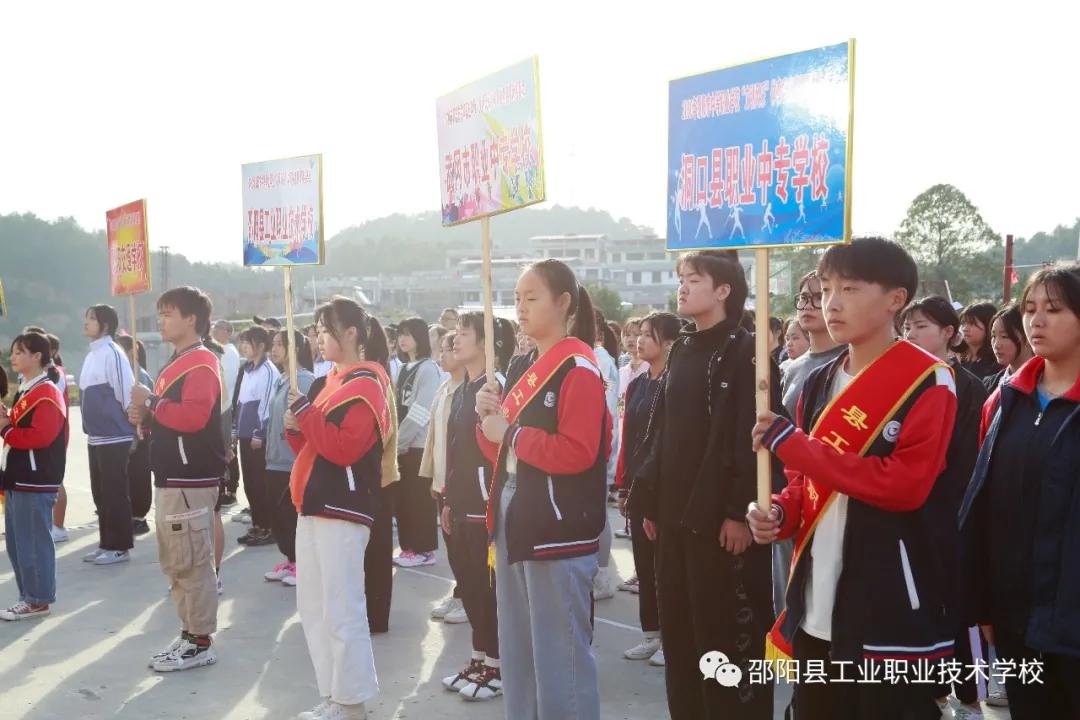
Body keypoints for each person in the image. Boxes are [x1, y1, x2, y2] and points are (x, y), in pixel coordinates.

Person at [748, 238, 958, 720]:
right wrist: (780, 512)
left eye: (849, 288)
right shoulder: (820, 379)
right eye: (825, 289)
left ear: (895, 299)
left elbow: (904, 486)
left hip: (888, 605)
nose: (832, 302)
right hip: (816, 600)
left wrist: (796, 447)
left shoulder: (929, 381)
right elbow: (805, 481)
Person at [636, 250, 775, 719]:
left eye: (693, 279)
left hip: (718, 524)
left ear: (723, 290)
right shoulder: (683, 348)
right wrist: (651, 501)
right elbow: (662, 431)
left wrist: (738, 511)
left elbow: (750, 439)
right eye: (681, 279)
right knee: (680, 639)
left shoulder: (746, 352)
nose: (683, 287)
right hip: (674, 521)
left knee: (724, 642)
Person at [474, 259, 609, 720]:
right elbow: (501, 450)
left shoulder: (578, 369)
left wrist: (507, 432)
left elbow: (578, 452)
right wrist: (488, 420)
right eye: (517, 299)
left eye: (531, 298)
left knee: (561, 655)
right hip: (517, 510)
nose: (521, 307)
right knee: (519, 645)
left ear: (564, 303)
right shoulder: (523, 364)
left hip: (558, 525)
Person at [959, 265, 1080, 719]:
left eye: (1054, 309)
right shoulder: (1006, 400)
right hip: (1016, 618)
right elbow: (984, 504)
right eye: (1030, 309)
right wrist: (983, 599)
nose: (1037, 321)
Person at [285, 296, 397, 720]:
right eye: (315, 328)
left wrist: (307, 415)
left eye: (325, 328)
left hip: (343, 507)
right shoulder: (329, 380)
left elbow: (345, 448)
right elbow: (313, 445)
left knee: (341, 608)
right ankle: (334, 696)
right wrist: (297, 425)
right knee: (313, 607)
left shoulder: (368, 383)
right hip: (314, 503)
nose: (318, 336)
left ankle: (352, 704)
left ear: (351, 333)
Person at [128, 286, 226, 672]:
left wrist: (150, 402)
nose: (161, 320)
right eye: (160, 313)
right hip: (172, 475)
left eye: (169, 314)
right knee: (176, 563)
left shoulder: (201, 362)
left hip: (191, 477)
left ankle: (201, 641)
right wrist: (145, 418)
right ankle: (188, 633)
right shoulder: (176, 361)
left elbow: (193, 418)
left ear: (191, 319)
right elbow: (170, 418)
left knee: (193, 562)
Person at [901, 296, 989, 720]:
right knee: (915, 606)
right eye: (907, 327)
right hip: (906, 512)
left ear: (948, 333)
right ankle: (930, 694)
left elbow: (966, 457)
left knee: (954, 605)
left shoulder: (967, 385)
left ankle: (969, 696)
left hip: (948, 512)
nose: (911, 335)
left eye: (921, 326)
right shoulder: (900, 381)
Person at [440, 312, 515, 702]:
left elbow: (498, 450)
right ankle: (479, 656)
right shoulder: (462, 388)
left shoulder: (493, 388)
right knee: (469, 586)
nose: (455, 340)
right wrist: (448, 498)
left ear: (486, 344)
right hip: (461, 501)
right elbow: (456, 452)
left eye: (464, 333)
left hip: (484, 504)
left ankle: (498, 665)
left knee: (488, 590)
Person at [616, 311, 680, 667]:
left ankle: (672, 638)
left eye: (648, 335)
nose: (639, 341)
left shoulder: (674, 384)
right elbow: (629, 438)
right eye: (639, 334)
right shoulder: (638, 383)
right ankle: (650, 634)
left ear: (669, 343)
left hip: (665, 488)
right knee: (643, 560)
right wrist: (625, 485)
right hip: (639, 484)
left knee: (665, 566)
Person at [0, 333, 68, 621]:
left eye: (19, 352)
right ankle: (28, 597)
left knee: (33, 542)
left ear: (37, 356)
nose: (13, 357)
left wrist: (5, 428)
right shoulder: (27, 390)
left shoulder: (47, 392)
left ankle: (38, 599)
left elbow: (42, 436)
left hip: (35, 478)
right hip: (18, 476)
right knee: (17, 543)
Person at [78, 304, 136, 565]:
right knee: (100, 493)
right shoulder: (92, 354)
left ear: (106, 325)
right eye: (87, 318)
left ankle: (119, 546)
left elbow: (125, 390)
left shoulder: (113, 352)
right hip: (96, 436)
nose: (86, 322)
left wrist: (130, 423)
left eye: (92, 319)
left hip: (114, 435)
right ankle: (106, 543)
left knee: (114, 492)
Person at [420, 332, 468, 625]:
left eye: (448, 350)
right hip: (441, 479)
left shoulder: (470, 390)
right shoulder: (444, 388)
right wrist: (431, 476)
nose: (442, 356)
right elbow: (433, 437)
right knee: (452, 545)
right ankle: (461, 593)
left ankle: (468, 596)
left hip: (459, 483)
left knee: (464, 546)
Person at [263, 330, 316, 588]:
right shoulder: (280, 380)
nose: (274, 349)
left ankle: (302, 563)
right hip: (275, 459)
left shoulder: (303, 380)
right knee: (279, 515)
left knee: (291, 514)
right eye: (272, 344)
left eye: (280, 344)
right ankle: (290, 559)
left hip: (291, 459)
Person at [392, 317, 442, 568]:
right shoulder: (402, 369)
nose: (402, 339)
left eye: (408, 334)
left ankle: (424, 550)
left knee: (418, 500)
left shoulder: (429, 368)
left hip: (417, 446)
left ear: (420, 338)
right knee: (403, 501)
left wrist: (400, 441)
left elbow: (421, 411)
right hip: (401, 445)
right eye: (400, 334)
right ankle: (409, 546)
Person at [234, 326, 280, 547]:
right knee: (250, 484)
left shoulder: (269, 371)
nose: (243, 346)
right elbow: (241, 402)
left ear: (261, 346)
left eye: (247, 342)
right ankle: (258, 523)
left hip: (257, 438)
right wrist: (236, 430)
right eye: (241, 342)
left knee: (261, 483)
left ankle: (268, 526)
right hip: (245, 436)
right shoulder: (247, 370)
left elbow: (267, 404)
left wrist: (258, 433)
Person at [780, 272, 845, 419]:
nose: (808, 306)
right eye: (803, 298)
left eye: (819, 297)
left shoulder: (849, 362)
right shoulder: (792, 368)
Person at [592, 308, 621, 599]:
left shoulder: (601, 360)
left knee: (598, 515)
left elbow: (606, 402)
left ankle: (602, 576)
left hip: (596, 449)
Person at [117, 335, 154, 536]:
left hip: (140, 434)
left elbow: (150, 405)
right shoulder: (122, 373)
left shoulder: (140, 376)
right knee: (128, 476)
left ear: (132, 353)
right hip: (124, 434)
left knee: (139, 476)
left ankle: (140, 517)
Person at [211, 319, 242, 506]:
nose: (214, 332)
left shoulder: (228, 352)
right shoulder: (218, 350)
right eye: (214, 328)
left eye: (218, 329)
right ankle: (222, 487)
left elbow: (223, 380)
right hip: (218, 408)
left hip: (225, 407)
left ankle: (231, 489)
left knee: (227, 449)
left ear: (228, 332)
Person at [45, 332, 71, 544]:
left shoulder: (56, 374)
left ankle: (59, 527)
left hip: (55, 434)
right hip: (44, 435)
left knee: (55, 480)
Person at [983, 304, 1033, 393]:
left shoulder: (1045, 384)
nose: (996, 344)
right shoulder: (989, 384)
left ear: (1028, 337)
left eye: (1004, 336)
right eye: (993, 336)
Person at [959, 302, 1001, 380]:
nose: (965, 329)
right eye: (963, 323)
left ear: (988, 325)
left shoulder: (996, 360)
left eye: (971, 324)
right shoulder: (960, 359)